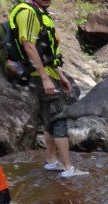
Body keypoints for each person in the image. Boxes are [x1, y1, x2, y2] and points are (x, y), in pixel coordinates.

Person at [12, 0, 88, 177]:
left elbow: (46, 52)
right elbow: (28, 45)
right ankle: (68, 169)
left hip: (46, 74)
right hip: (39, 76)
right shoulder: (28, 12)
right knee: (59, 118)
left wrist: (60, 75)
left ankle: (51, 161)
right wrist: (45, 78)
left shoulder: (39, 12)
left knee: (49, 119)